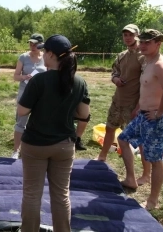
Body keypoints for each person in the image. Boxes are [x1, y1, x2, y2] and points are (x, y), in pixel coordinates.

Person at [17, 34, 90, 232]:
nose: (41, 54)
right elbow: (84, 114)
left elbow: (22, 111)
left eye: (44, 51)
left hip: (35, 145)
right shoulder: (79, 82)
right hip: (65, 145)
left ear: (50, 54)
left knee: (32, 194)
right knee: (61, 195)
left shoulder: (39, 81)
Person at [96, 24, 151, 185]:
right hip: (118, 101)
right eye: (125, 35)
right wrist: (116, 79)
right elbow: (114, 72)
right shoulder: (121, 55)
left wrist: (139, 107)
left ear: (137, 36)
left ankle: (146, 174)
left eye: (130, 35)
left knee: (139, 140)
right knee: (110, 128)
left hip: (133, 105)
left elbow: (146, 84)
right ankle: (102, 156)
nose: (127, 37)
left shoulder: (143, 57)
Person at [118, 29, 163, 211]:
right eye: (141, 42)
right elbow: (147, 89)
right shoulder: (147, 62)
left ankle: (152, 201)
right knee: (122, 139)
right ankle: (131, 178)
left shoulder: (160, 65)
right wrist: (138, 107)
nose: (142, 45)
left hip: (154, 118)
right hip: (142, 114)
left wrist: (159, 114)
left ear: (158, 44)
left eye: (147, 42)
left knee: (155, 159)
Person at [11, 33, 47, 159]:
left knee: (40, 122)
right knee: (21, 122)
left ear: (41, 45)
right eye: (30, 43)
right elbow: (15, 76)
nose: (32, 46)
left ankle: (36, 150)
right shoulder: (23, 57)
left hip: (41, 94)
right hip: (25, 93)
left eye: (35, 44)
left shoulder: (47, 57)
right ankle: (16, 150)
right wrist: (24, 77)